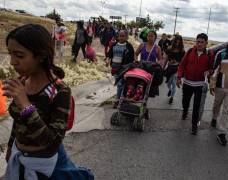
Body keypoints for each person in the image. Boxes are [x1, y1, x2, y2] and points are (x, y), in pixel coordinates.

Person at [3, 24, 94, 179]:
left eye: (19, 55)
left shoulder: (59, 92)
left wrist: (26, 106)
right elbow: (18, 121)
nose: (12, 62)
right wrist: (11, 147)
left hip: (44, 168)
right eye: (10, 54)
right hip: (19, 158)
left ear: (41, 56)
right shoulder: (22, 81)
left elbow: (52, 143)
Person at [176, 33, 214, 135]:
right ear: (195, 42)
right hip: (187, 83)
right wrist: (179, 77)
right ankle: (185, 111)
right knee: (185, 101)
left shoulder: (209, 54)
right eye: (198, 41)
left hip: (200, 85)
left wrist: (209, 71)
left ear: (206, 43)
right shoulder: (189, 52)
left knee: (197, 106)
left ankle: (194, 126)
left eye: (202, 42)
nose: (199, 44)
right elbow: (182, 65)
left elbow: (212, 68)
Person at [107, 30, 135, 108]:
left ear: (126, 37)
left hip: (124, 69)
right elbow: (109, 54)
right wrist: (108, 60)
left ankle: (118, 101)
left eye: (123, 36)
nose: (121, 38)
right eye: (120, 36)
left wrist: (129, 66)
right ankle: (122, 99)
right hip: (114, 68)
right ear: (118, 36)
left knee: (120, 84)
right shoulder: (114, 45)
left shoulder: (129, 46)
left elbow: (132, 58)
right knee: (120, 84)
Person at [164, 35, 185, 104]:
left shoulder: (182, 50)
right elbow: (166, 59)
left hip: (177, 68)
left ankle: (172, 97)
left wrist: (177, 62)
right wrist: (163, 67)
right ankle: (170, 90)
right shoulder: (169, 48)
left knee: (173, 83)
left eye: (179, 40)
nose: (178, 42)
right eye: (176, 40)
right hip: (169, 68)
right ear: (174, 40)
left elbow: (183, 61)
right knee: (168, 83)